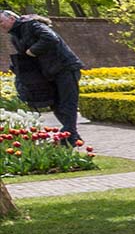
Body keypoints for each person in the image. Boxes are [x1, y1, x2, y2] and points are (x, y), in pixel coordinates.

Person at [2, 10, 85, 145]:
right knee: (55, 104)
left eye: (1, 22)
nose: (1, 26)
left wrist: (33, 50)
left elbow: (50, 38)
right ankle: (72, 135)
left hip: (65, 67)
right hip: (48, 72)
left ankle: (69, 137)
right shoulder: (15, 36)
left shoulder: (32, 25)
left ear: (11, 18)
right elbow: (26, 57)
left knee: (67, 103)